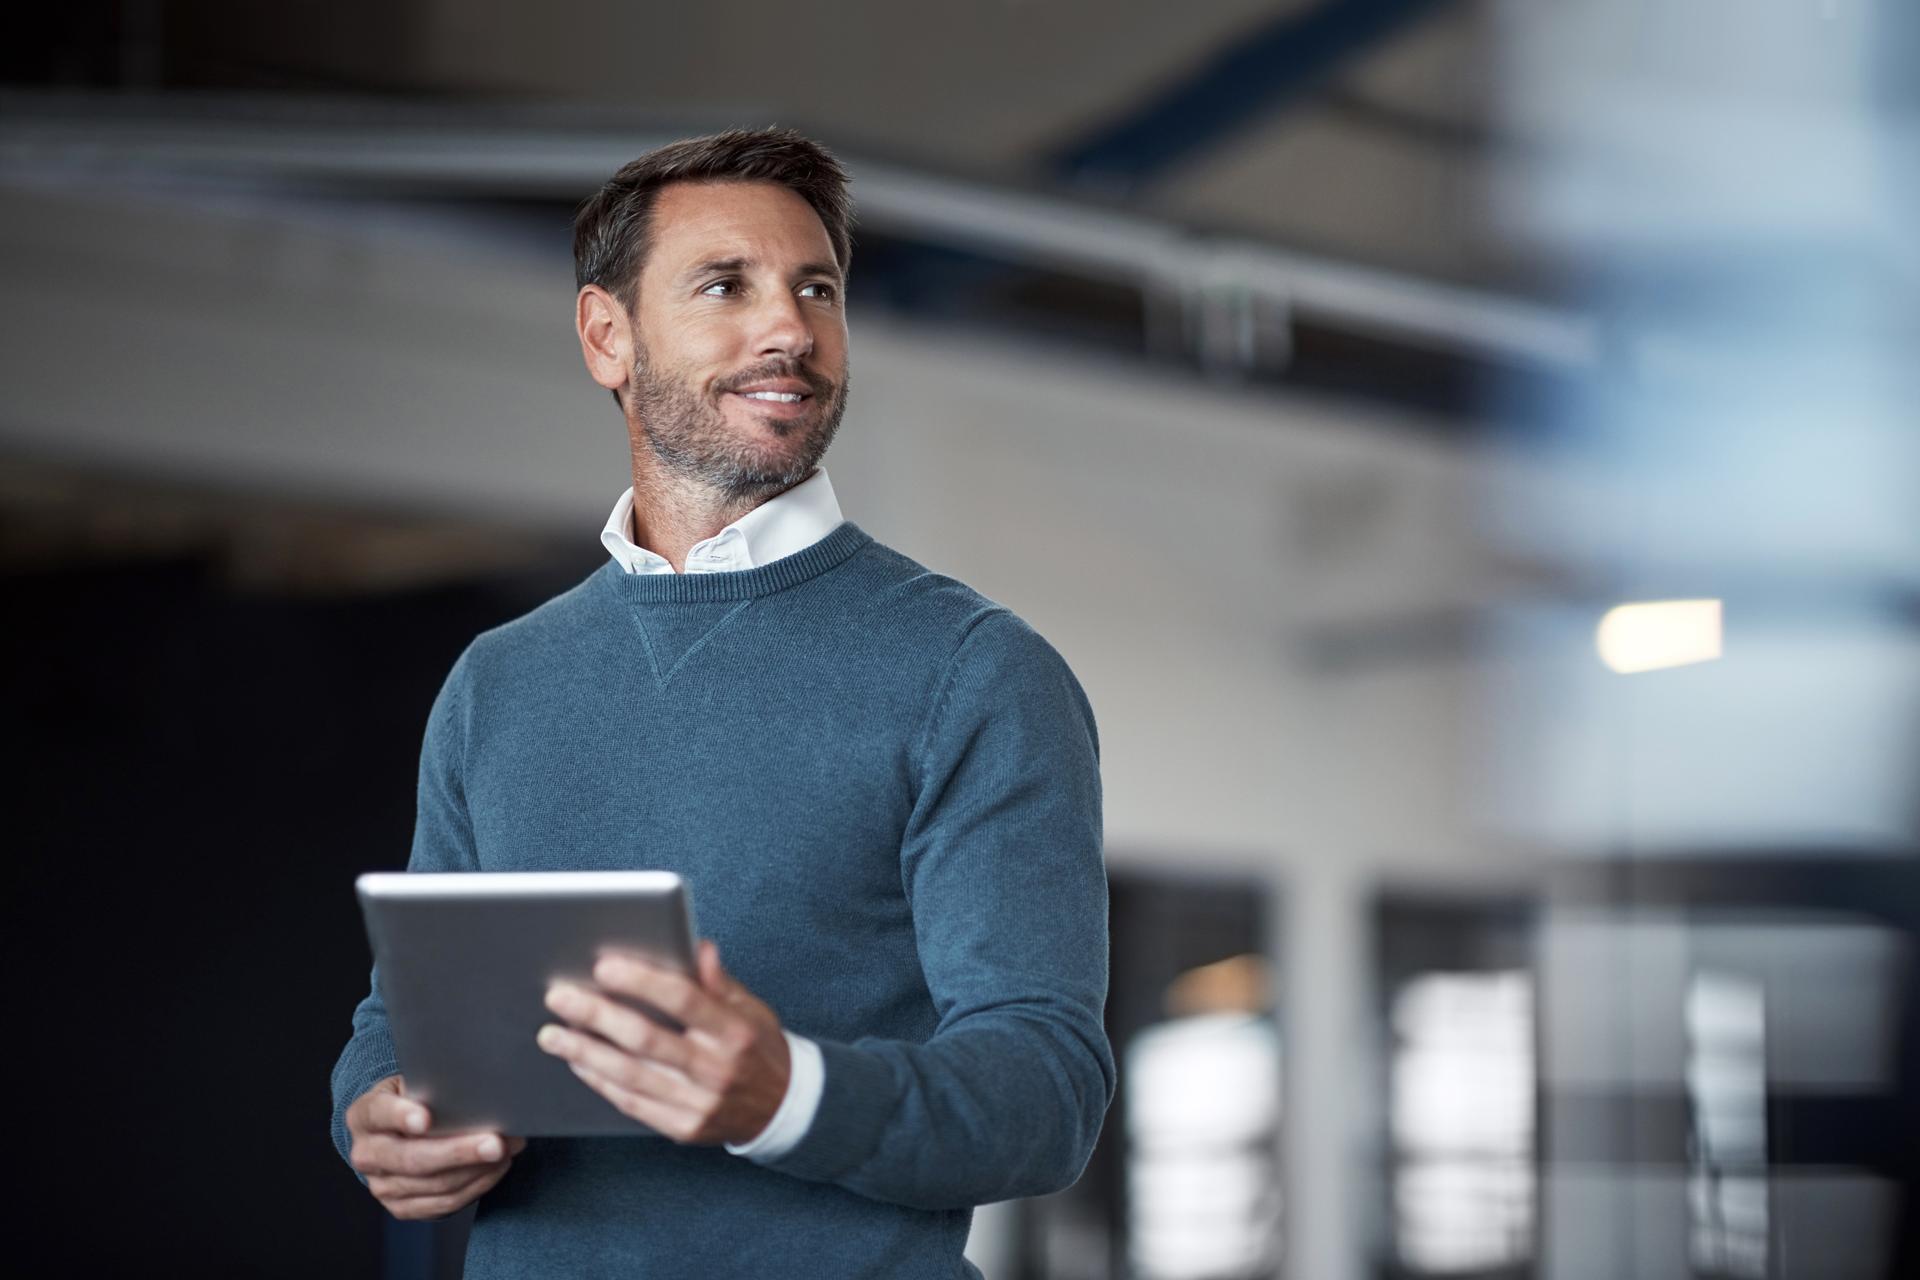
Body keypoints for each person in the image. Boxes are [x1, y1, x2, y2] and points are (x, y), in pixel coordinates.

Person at [328, 127, 1114, 1278]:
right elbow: (403, 1015)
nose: (790, 328)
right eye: (723, 285)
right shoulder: (497, 682)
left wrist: (785, 1092)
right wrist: (379, 1119)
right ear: (608, 336)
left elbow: (1048, 1089)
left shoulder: (975, 671)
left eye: (817, 289)